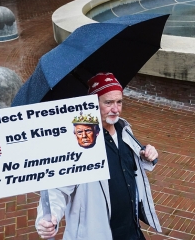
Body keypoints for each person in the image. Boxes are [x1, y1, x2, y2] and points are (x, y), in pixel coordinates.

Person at [36, 72, 161, 240]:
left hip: (131, 230)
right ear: (93, 103)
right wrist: (50, 217)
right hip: (97, 233)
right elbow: (57, 188)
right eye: (108, 102)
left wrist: (145, 155)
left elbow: (129, 161)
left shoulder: (123, 129)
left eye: (119, 102)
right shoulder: (79, 140)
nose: (116, 109)